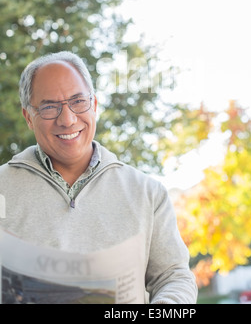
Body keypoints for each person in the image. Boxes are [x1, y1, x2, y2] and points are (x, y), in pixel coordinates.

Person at [0, 51, 198, 304]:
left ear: (94, 105)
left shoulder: (148, 193)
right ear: (29, 117)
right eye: (49, 107)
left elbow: (173, 277)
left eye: (78, 102)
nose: (68, 119)